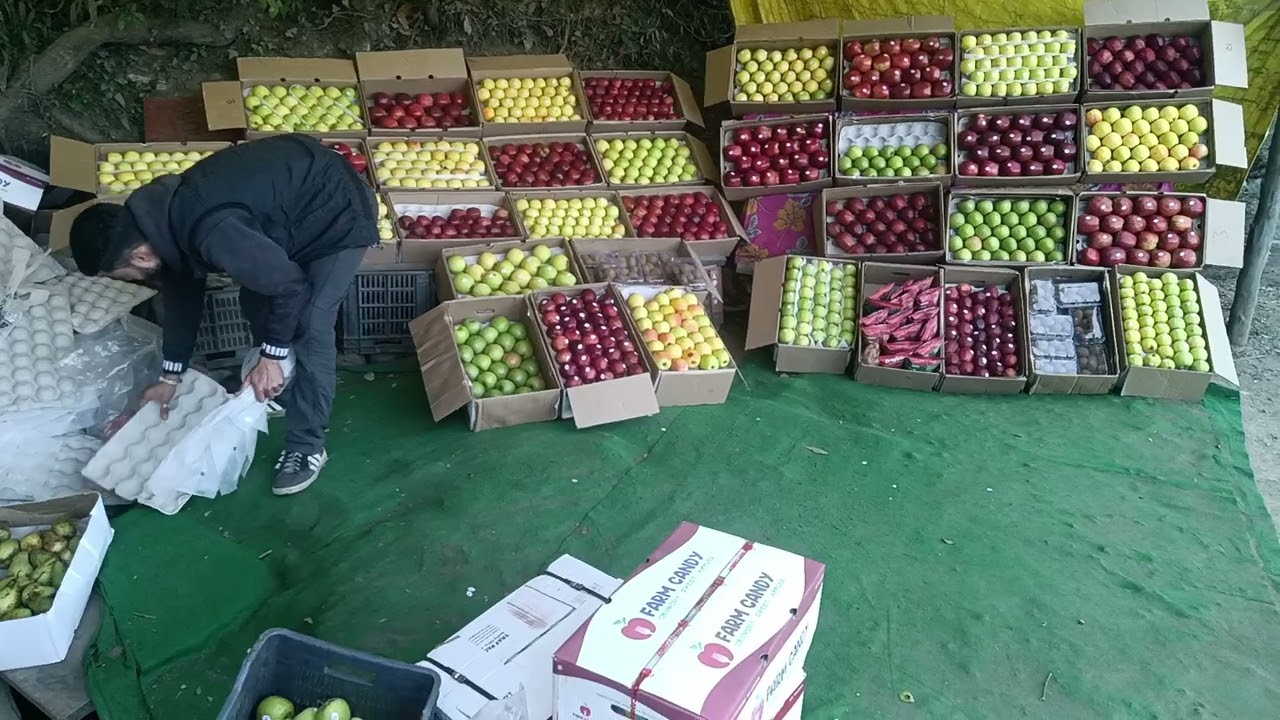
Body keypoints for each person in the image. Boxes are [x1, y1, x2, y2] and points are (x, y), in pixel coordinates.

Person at [69, 133, 377, 495]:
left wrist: (272, 353)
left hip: (336, 209)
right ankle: (283, 384)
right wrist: (171, 376)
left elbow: (290, 286)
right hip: (289, 213)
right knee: (255, 300)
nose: (135, 281)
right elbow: (182, 295)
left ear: (138, 257)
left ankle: (306, 446)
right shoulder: (160, 222)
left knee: (311, 323)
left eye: (125, 276)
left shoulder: (208, 229)